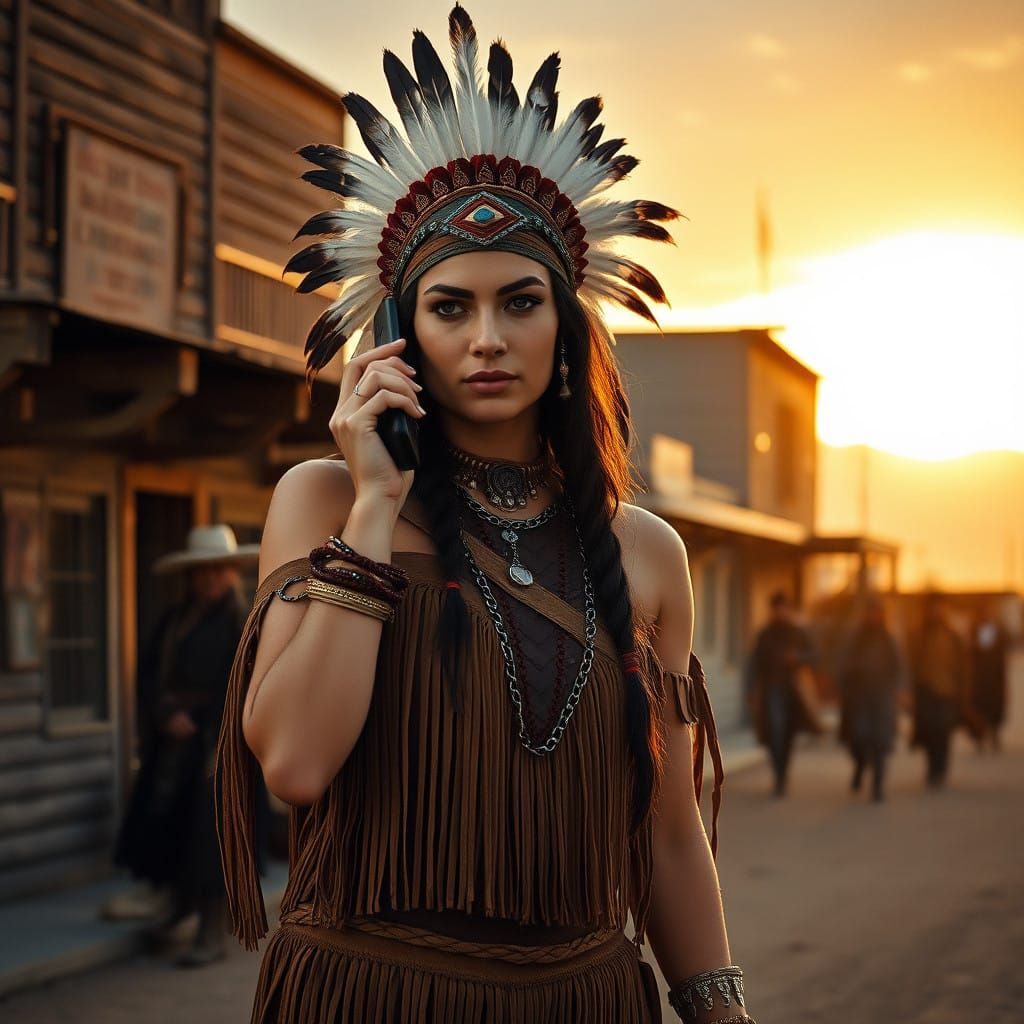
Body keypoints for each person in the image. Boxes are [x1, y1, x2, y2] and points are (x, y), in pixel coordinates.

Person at [215, 8, 756, 1023]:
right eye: (450, 307)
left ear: (564, 321)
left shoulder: (648, 555)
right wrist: (377, 504)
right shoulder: (324, 500)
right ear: (401, 333)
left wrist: (721, 1011)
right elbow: (291, 760)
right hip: (367, 996)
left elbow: (671, 833)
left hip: (584, 999)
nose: (488, 337)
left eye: (519, 301)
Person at [115, 526, 254, 966]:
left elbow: (243, 683)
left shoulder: (241, 621)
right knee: (170, 830)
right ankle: (178, 914)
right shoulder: (174, 620)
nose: (211, 579)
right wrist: (163, 713)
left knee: (208, 840)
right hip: (172, 745)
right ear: (191, 576)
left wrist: (205, 723)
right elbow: (151, 674)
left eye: (218, 571)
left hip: (216, 745)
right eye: (202, 572)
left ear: (229, 573)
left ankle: (211, 935)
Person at [748, 590, 818, 797]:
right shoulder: (765, 634)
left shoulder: (798, 633)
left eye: (783, 608)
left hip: (794, 689)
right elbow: (754, 663)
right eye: (776, 609)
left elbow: (815, 655)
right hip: (771, 689)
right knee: (774, 732)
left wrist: (797, 658)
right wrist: (751, 689)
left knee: (788, 733)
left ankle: (783, 774)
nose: (780, 613)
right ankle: (778, 775)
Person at [837, 596, 905, 802]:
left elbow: (899, 667)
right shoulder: (855, 638)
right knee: (858, 737)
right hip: (859, 696)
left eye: (878, 612)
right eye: (871, 612)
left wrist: (901, 691)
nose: (874, 616)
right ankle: (860, 766)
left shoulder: (888, 639)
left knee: (881, 741)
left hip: (882, 696)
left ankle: (878, 786)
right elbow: (842, 664)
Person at [909, 593, 968, 788]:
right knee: (929, 731)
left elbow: (962, 666)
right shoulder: (919, 635)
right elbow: (911, 664)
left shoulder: (952, 636)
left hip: (947, 691)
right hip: (926, 691)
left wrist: (963, 690)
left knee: (943, 732)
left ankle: (940, 769)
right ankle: (932, 768)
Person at [968, 603, 1010, 751]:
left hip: (993, 679)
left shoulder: (996, 632)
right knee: (980, 710)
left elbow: (1000, 659)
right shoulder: (974, 631)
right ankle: (980, 737)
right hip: (979, 679)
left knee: (994, 710)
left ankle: (993, 735)